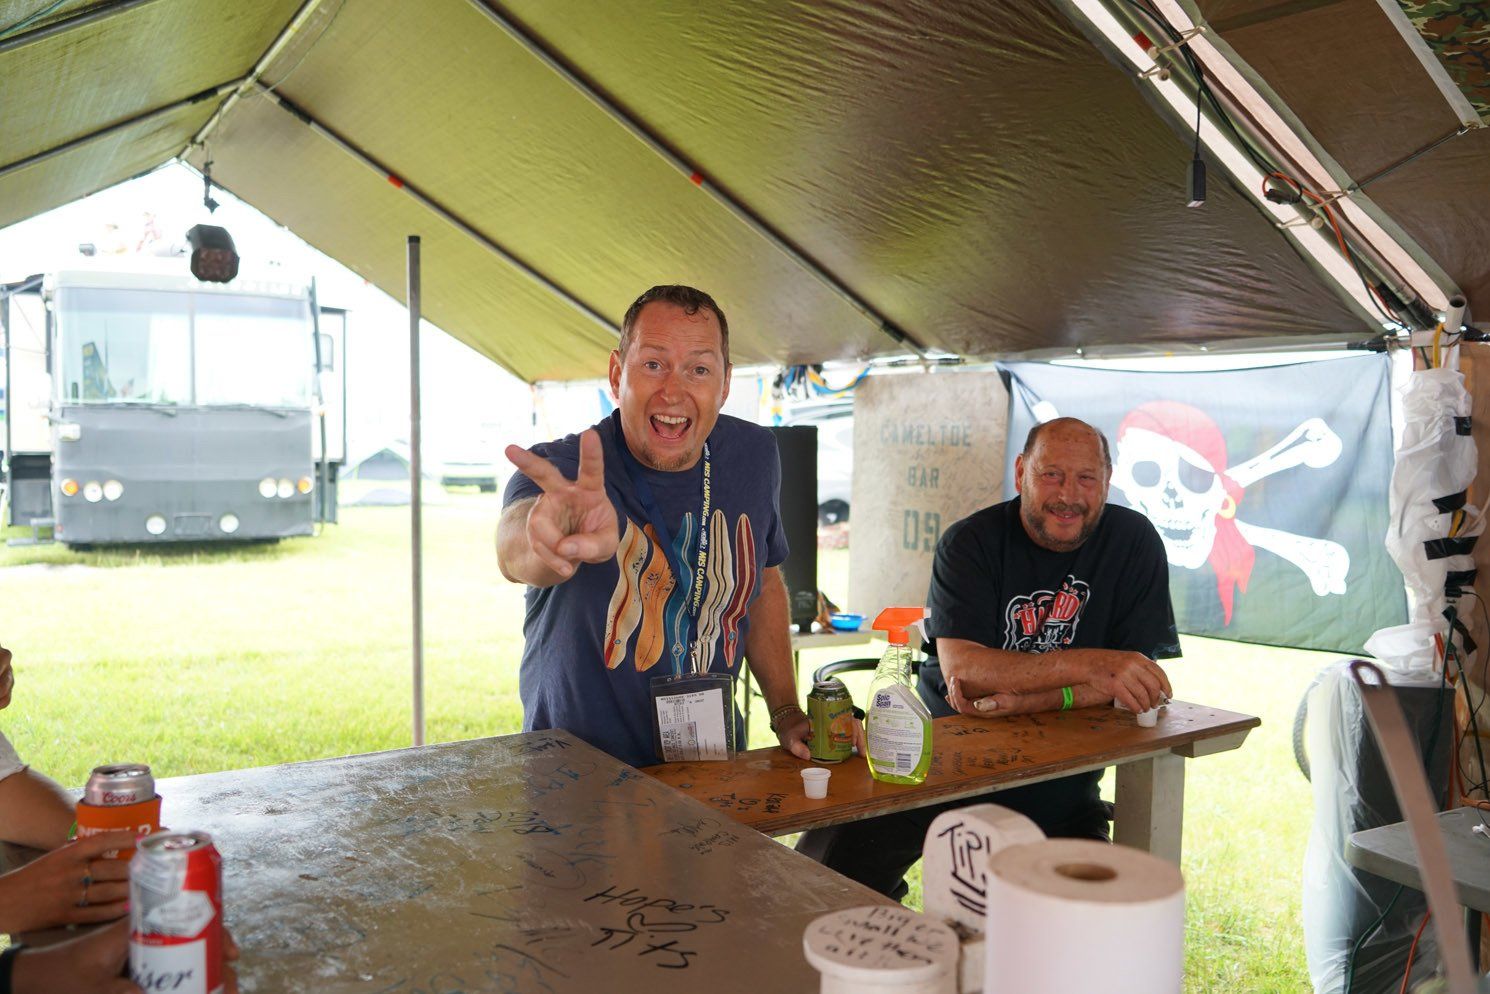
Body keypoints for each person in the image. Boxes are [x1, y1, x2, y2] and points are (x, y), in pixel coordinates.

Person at [796, 417, 1180, 899]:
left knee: (1090, 916)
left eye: (1087, 478)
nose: (1069, 495)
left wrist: (1026, 700)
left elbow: (1134, 684)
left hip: (1060, 780)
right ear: (1021, 473)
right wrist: (1095, 666)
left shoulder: (1133, 541)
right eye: (1052, 475)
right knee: (818, 880)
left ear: (1107, 482)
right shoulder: (971, 542)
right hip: (936, 767)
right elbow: (967, 675)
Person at [498, 285, 811, 767]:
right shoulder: (569, 467)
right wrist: (546, 536)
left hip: (710, 773)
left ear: (725, 384)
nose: (673, 390)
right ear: (616, 373)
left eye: (699, 369)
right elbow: (514, 549)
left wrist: (787, 711)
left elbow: (762, 580)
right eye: (653, 364)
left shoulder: (753, 455)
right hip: (576, 782)